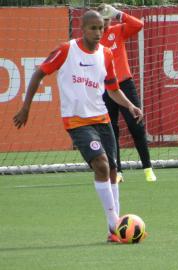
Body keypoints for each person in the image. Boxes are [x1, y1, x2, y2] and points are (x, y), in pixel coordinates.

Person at [13, 10, 144, 243]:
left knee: (113, 171)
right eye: (92, 28)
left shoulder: (106, 54)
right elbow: (38, 73)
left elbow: (112, 89)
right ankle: (116, 225)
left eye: (101, 28)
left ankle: (112, 231)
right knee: (101, 166)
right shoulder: (66, 50)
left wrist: (131, 106)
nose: (97, 32)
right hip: (76, 122)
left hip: (101, 119)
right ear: (82, 29)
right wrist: (26, 108)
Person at [97, 3, 157, 183]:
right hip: (105, 88)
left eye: (108, 19)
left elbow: (138, 25)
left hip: (124, 84)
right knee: (111, 130)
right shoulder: (94, 38)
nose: (106, 23)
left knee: (136, 125)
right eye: (103, 19)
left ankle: (147, 168)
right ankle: (118, 171)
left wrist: (118, 14)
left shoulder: (118, 30)